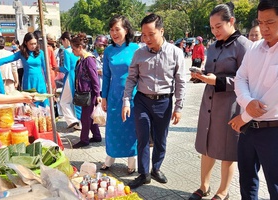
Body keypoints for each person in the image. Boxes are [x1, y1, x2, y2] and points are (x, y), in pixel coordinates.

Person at [189, 2, 252, 200]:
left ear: (231, 21)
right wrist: (202, 75)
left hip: (230, 104)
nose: (215, 31)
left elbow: (248, 79)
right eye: (212, 27)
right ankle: (204, 185)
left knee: (227, 149)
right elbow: (212, 71)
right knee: (207, 145)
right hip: (210, 102)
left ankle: (223, 191)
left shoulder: (243, 46)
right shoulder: (214, 46)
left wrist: (218, 80)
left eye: (219, 26)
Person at [122, 13, 186, 189]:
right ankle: (144, 174)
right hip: (142, 101)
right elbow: (131, 79)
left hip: (164, 103)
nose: (147, 38)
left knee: (160, 139)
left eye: (151, 34)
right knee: (142, 138)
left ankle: (156, 168)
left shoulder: (175, 53)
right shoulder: (139, 53)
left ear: (161, 31)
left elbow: (180, 81)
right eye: (144, 35)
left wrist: (179, 107)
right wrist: (126, 101)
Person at [228, 0, 278, 199]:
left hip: (273, 130)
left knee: (275, 184)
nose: (264, 28)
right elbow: (240, 78)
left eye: (270, 22)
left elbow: (273, 95)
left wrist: (244, 117)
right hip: (249, 130)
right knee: (247, 180)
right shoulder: (255, 48)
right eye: (260, 22)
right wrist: (247, 101)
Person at [100, 15, 139, 174]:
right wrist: (103, 97)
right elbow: (106, 75)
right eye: (111, 30)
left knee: (131, 127)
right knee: (112, 128)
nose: (114, 33)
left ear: (126, 30)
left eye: (117, 29)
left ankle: (132, 161)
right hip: (114, 94)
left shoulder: (136, 48)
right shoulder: (109, 50)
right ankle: (110, 157)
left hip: (133, 94)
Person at [0, 32, 49, 107]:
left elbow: (45, 69)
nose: (33, 46)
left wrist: (48, 83)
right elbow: (7, 59)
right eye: (31, 44)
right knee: (30, 106)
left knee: (44, 106)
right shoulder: (22, 53)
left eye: (35, 43)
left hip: (40, 82)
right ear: (25, 42)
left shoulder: (40, 53)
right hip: (28, 82)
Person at [70, 33, 101, 149]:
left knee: (85, 118)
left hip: (89, 93)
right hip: (84, 93)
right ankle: (97, 136)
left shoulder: (89, 60)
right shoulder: (82, 59)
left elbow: (94, 78)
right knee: (90, 116)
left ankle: (84, 139)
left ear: (80, 47)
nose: (72, 51)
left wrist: (97, 94)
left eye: (74, 49)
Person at [53, 31, 81, 129]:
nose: (62, 44)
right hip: (79, 76)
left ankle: (72, 120)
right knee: (77, 100)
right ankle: (79, 122)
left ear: (65, 40)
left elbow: (66, 68)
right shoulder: (77, 49)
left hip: (70, 77)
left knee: (64, 101)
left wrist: (58, 68)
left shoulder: (67, 51)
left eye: (62, 42)